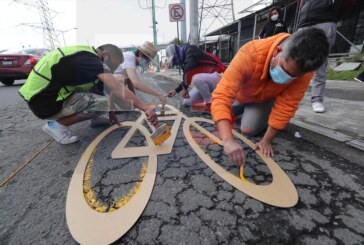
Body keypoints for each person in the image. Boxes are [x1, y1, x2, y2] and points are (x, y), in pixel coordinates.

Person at [211, 28, 329, 166]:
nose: (286, 78)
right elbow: (222, 95)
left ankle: (260, 111)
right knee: (218, 111)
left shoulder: (304, 71)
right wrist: (228, 141)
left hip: (264, 99)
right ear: (277, 51)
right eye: (285, 70)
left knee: (248, 129)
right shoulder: (250, 52)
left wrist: (266, 140)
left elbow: (287, 105)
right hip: (241, 95)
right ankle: (241, 111)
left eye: (293, 77)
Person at [19, 44, 158, 145]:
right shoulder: (91, 61)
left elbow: (96, 91)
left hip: (42, 98)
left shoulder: (85, 56)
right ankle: (56, 126)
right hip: (44, 103)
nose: (111, 69)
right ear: (106, 55)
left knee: (103, 103)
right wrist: (145, 108)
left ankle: (96, 119)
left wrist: (109, 112)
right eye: (112, 65)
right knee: (104, 102)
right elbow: (117, 88)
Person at [297, 0, 354, 113]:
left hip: (325, 20)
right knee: (297, 61)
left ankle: (317, 99)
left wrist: (333, 14)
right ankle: (292, 96)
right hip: (304, 23)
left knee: (320, 62)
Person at [165, 43, 226, 110]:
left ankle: (209, 103)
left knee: (196, 79)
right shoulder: (184, 60)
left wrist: (185, 88)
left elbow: (188, 70)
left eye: (174, 60)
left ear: (177, 54)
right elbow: (186, 78)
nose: (174, 63)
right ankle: (216, 100)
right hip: (207, 81)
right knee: (186, 102)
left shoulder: (190, 50)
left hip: (218, 76)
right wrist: (176, 91)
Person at [113, 41, 166, 107]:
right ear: (140, 54)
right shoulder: (129, 57)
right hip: (102, 82)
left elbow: (130, 83)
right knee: (121, 79)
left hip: (108, 82)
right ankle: (110, 106)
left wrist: (136, 104)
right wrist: (159, 94)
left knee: (129, 102)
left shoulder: (133, 63)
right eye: (147, 60)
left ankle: (116, 104)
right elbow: (137, 84)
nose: (147, 63)